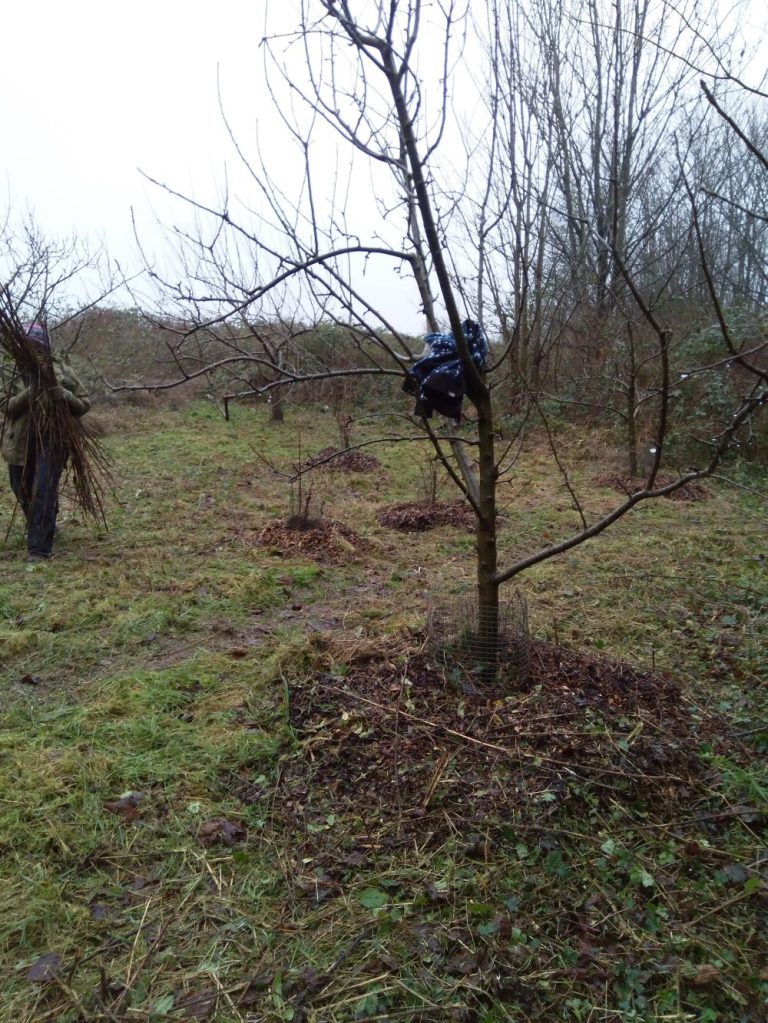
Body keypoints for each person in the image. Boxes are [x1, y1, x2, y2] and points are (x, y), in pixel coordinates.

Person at [0, 323, 91, 560]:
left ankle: (39, 548)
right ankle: (44, 522)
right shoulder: (12, 371)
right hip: (19, 442)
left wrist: (65, 395)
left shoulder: (61, 369)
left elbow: (83, 405)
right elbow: (6, 407)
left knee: (43, 489)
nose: (36, 350)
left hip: (53, 440)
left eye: (40, 346)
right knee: (22, 489)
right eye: (31, 346)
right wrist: (30, 391)